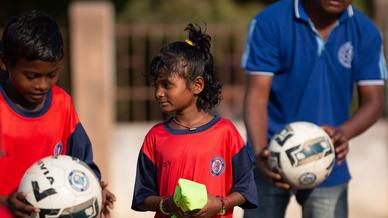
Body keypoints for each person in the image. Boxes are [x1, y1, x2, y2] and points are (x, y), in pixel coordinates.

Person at [241, 0, 387, 217]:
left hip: (327, 162)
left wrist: (344, 132)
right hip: (269, 157)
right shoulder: (269, 22)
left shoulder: (366, 31)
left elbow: (374, 102)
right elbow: (256, 97)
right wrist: (261, 151)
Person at [131, 23, 258, 218]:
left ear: (197, 85)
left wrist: (221, 204)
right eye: (155, 85)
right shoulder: (155, 137)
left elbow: (246, 187)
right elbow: (142, 197)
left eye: (166, 84)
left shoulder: (225, 132)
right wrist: (168, 204)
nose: (158, 93)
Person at [0, 10, 116, 217]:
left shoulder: (62, 104)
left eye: (51, 75)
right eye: (32, 76)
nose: (43, 85)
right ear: (4, 62)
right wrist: (4, 202)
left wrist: (95, 189)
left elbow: (82, 163)